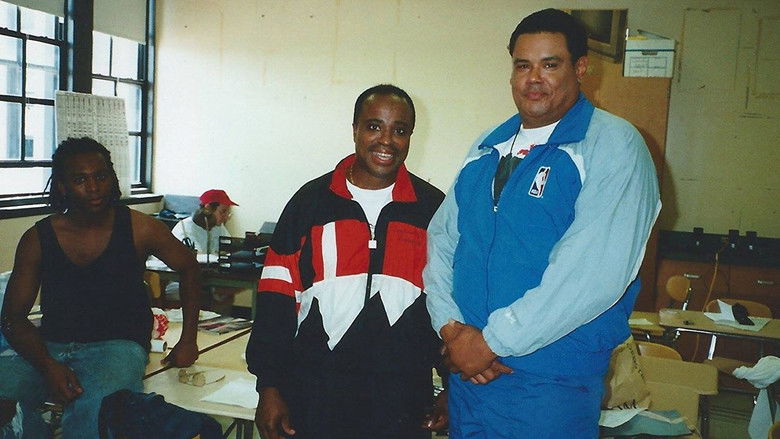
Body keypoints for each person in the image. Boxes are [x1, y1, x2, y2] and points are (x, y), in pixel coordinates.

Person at [423, 9, 661, 438]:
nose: (534, 79)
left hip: (549, 385)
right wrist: (452, 330)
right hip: (470, 378)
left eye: (550, 64)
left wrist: (490, 343)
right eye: (523, 65)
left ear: (580, 68)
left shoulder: (613, 144)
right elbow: (442, 242)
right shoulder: (487, 148)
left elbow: (592, 273)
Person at [246, 84, 448, 439]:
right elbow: (277, 297)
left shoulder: (432, 209)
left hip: (402, 403)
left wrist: (451, 386)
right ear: (355, 129)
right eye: (374, 126)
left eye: (399, 130)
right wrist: (269, 385)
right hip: (315, 398)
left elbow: (450, 305)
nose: (386, 141)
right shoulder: (309, 204)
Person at [0, 137, 201, 439]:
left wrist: (188, 340)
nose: (93, 187)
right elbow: (13, 318)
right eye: (80, 179)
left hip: (117, 345)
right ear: (62, 186)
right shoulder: (38, 238)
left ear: (112, 179)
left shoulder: (139, 227)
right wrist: (47, 365)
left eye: (101, 176)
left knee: (96, 413)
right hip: (51, 344)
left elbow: (189, 268)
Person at [166, 189, 239, 314]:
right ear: (208, 209)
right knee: (212, 293)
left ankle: (219, 321)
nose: (226, 217)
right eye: (223, 212)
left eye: (228, 212)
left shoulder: (218, 227)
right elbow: (193, 259)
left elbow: (228, 249)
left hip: (209, 280)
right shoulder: (184, 228)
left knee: (229, 289)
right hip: (182, 282)